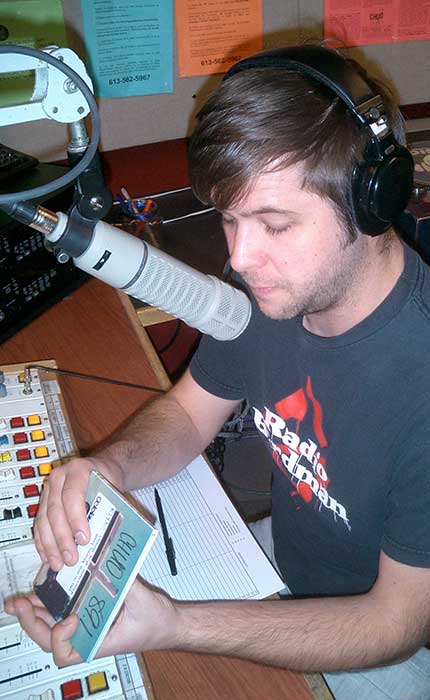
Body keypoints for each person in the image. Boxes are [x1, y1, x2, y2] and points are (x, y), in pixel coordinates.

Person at [6, 44, 430, 700]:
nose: (240, 256)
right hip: (286, 566)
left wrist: (176, 624)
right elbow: (185, 414)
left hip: (383, 634)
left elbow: (394, 620)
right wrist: (111, 466)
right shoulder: (276, 296)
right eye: (231, 220)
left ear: (372, 204)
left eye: (275, 225)